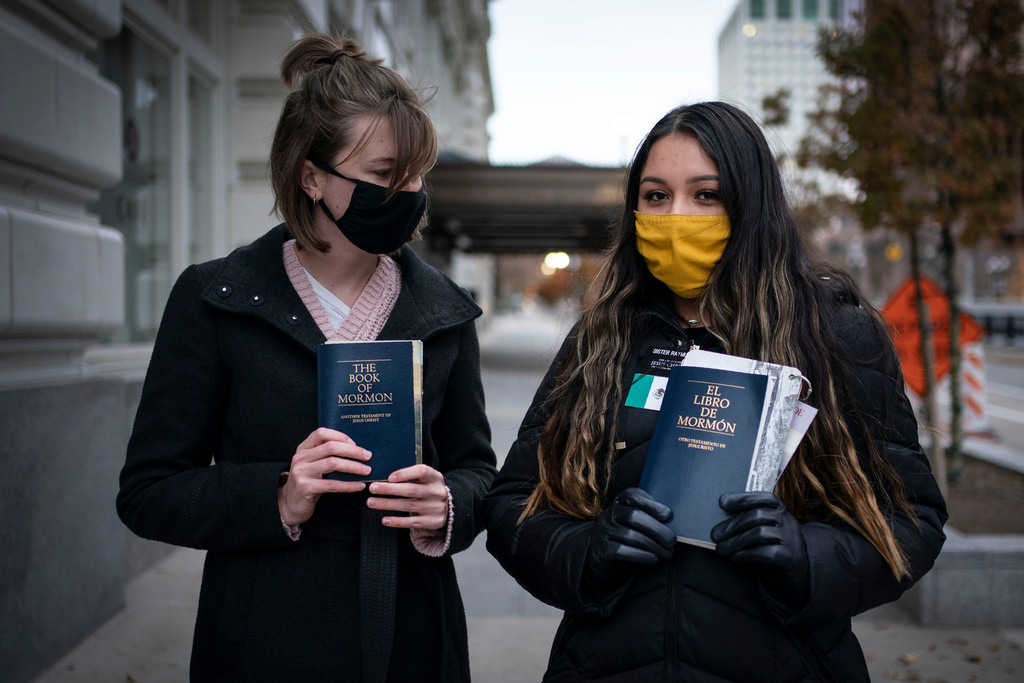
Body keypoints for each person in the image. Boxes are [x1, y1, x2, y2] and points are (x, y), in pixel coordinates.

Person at [484, 101, 947, 682]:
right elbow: (511, 508)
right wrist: (589, 552)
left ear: (751, 206)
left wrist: (805, 556)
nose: (677, 215)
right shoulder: (600, 337)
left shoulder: (834, 335)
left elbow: (913, 519)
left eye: (706, 194)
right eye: (656, 196)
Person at [116, 33, 496, 683]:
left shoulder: (447, 311)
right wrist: (280, 496)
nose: (408, 192)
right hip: (262, 636)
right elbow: (150, 491)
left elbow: (478, 469)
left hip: (413, 638)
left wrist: (451, 504)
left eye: (415, 173)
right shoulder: (218, 299)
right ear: (311, 176)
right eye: (384, 175)